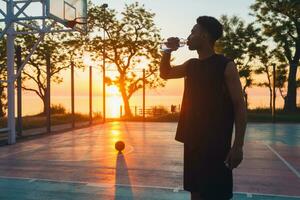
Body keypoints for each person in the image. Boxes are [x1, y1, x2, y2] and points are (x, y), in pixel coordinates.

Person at [159, 16, 247, 200]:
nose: (189, 36)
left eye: (193, 32)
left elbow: (239, 106)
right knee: (196, 193)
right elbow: (165, 73)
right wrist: (167, 50)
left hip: (216, 144)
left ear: (205, 36)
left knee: (217, 195)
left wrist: (238, 146)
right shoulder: (191, 65)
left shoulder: (226, 66)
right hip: (192, 141)